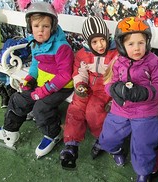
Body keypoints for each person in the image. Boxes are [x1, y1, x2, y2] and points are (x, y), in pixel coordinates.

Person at [0, 1, 74, 158]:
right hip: (43, 82)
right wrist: (29, 77)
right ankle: (9, 131)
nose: (40, 30)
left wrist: (43, 91)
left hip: (62, 86)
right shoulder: (35, 43)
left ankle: (53, 133)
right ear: (30, 27)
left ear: (53, 27)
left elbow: (65, 75)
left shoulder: (62, 47)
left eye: (45, 26)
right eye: (36, 26)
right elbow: (36, 63)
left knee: (41, 108)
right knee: (18, 98)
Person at [98, 17, 158, 182]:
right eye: (131, 44)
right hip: (120, 109)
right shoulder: (117, 61)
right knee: (107, 139)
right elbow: (108, 82)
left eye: (141, 43)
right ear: (122, 45)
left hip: (145, 112)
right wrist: (116, 89)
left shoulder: (153, 61)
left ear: (147, 43)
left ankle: (143, 171)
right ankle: (116, 150)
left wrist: (145, 92)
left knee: (143, 146)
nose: (137, 48)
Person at [59, 15, 118, 169]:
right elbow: (79, 72)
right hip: (87, 86)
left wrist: (113, 93)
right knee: (76, 107)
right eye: (94, 42)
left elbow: (119, 74)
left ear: (107, 37)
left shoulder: (115, 54)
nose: (100, 45)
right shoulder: (82, 54)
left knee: (94, 111)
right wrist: (80, 85)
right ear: (88, 42)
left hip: (105, 86)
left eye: (102, 40)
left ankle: (101, 138)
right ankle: (71, 145)